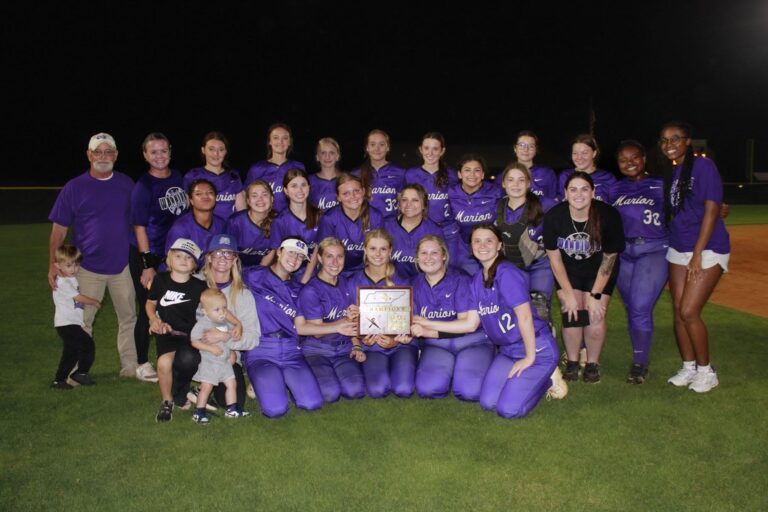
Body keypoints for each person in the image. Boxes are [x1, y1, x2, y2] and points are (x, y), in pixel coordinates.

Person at [48, 132, 138, 378]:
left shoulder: (126, 184)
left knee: (128, 317)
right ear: (89, 155)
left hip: (121, 265)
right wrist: (53, 264)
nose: (103, 156)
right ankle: (76, 371)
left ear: (116, 155)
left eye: (108, 152)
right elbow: (59, 229)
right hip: (86, 268)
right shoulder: (74, 187)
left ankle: (130, 366)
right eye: (98, 152)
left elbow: (138, 222)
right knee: (82, 321)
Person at [661, 121, 730, 393]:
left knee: (689, 311)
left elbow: (712, 209)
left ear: (687, 141)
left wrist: (697, 253)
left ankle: (706, 371)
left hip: (707, 248)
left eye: (675, 138)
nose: (669, 144)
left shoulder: (703, 166)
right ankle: (689, 367)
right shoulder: (672, 172)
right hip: (677, 248)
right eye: (665, 140)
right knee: (679, 312)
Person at [470, 225, 560, 418]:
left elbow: (525, 317)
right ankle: (535, 378)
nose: (482, 245)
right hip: (508, 351)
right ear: (471, 246)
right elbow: (470, 323)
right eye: (477, 241)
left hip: (536, 349)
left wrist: (529, 358)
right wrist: (425, 325)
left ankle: (549, 380)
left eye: (489, 240)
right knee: (488, 402)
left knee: (509, 410)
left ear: (499, 245)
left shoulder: (506, 273)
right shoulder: (476, 279)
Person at [543, 172, 624, 383]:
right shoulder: (554, 216)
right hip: (569, 271)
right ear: (565, 193)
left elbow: (609, 258)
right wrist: (568, 294)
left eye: (584, 189)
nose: (579, 194)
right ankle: (572, 361)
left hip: (600, 271)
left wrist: (595, 295)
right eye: (573, 189)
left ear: (593, 192)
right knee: (572, 313)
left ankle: (592, 363)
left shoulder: (608, 215)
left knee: (594, 315)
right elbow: (555, 259)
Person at [608, 140, 669, 384]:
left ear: (644, 158)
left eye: (634, 157)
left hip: (653, 249)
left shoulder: (661, 184)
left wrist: (717, 207)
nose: (629, 163)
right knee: (632, 308)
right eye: (623, 160)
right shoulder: (615, 189)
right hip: (623, 253)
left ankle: (639, 364)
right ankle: (640, 355)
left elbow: (688, 208)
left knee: (640, 307)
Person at [129, 132, 187, 383]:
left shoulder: (178, 177)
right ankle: (142, 363)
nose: (159, 156)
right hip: (148, 255)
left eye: (163, 150)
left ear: (170, 152)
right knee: (148, 309)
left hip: (173, 254)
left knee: (174, 306)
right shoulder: (143, 186)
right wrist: (147, 265)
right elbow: (139, 227)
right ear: (145, 155)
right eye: (153, 152)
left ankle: (175, 357)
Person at [242, 238, 323, 417]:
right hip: (261, 349)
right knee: (275, 409)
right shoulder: (254, 275)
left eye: (300, 257)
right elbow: (226, 287)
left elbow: (305, 325)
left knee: (312, 403)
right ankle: (262, 380)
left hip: (291, 351)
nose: (294, 259)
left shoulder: (299, 289)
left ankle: (277, 381)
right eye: (291, 252)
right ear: (279, 252)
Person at [181, 234, 262, 411]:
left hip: (226, 357)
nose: (223, 258)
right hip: (196, 350)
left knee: (232, 403)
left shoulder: (243, 294)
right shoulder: (194, 284)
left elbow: (253, 337)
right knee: (185, 357)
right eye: (217, 252)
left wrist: (226, 339)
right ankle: (180, 389)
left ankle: (202, 390)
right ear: (209, 257)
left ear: (235, 259)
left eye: (228, 253)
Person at [409, 235, 494, 400]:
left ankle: (465, 369)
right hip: (437, 345)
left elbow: (466, 325)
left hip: (471, 342)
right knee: (428, 389)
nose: (428, 258)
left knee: (469, 392)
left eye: (434, 253)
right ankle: (449, 370)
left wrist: (428, 326)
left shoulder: (461, 280)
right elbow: (413, 324)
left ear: (444, 256)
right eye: (424, 253)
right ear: (417, 258)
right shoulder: (413, 285)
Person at [295, 237, 366, 402]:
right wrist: (342, 322)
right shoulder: (311, 290)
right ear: (320, 258)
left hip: (344, 349)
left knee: (355, 390)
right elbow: (318, 332)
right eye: (329, 256)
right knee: (330, 393)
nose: (335, 262)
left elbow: (354, 324)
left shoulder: (348, 284)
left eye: (340, 256)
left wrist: (357, 345)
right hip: (317, 350)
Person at [146, 239, 210, 422]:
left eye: (188, 258)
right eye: (179, 256)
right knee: (164, 363)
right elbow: (150, 303)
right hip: (166, 333)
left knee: (188, 360)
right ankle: (167, 401)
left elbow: (208, 311)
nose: (183, 260)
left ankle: (180, 391)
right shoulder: (160, 280)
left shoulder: (200, 286)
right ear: (169, 259)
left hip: (190, 335)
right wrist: (154, 319)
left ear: (194, 265)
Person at [347, 229, 414, 398]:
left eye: (383, 249)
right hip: (371, 346)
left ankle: (407, 364)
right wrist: (360, 338)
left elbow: (411, 321)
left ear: (390, 251)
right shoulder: (353, 282)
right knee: (377, 390)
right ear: (365, 249)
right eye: (373, 248)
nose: (378, 254)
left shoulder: (402, 280)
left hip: (400, 345)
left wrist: (394, 341)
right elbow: (350, 322)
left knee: (404, 389)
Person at [494, 162, 557, 326]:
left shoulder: (546, 205)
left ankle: (544, 340)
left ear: (529, 183)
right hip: (511, 265)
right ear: (503, 183)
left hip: (540, 265)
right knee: (512, 310)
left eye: (521, 180)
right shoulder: (496, 207)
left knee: (540, 309)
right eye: (511, 180)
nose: (516, 185)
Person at [189, 288, 251, 423]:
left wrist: (233, 335)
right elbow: (194, 342)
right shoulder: (203, 324)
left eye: (224, 307)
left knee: (232, 384)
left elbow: (228, 338)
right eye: (217, 309)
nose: (222, 312)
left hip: (225, 362)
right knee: (206, 388)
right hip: (210, 363)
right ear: (205, 311)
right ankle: (199, 412)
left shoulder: (224, 322)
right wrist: (210, 348)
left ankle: (232, 409)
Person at [404, 133, 463, 271]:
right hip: (422, 229)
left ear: (442, 151)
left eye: (435, 149)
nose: (430, 153)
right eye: (426, 148)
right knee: (423, 268)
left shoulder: (452, 175)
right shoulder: (410, 174)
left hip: (448, 229)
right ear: (420, 149)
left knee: (450, 268)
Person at [50, 244, 102, 389]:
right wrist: (94, 302)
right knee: (88, 345)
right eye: (68, 266)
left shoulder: (70, 279)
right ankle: (80, 373)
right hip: (66, 324)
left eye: (76, 265)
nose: (73, 269)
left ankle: (59, 380)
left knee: (71, 352)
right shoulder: (62, 283)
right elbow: (78, 297)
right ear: (57, 265)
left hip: (70, 323)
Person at [447, 154, 504, 274]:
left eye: (477, 170)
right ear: (459, 174)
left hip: (489, 247)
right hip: (463, 249)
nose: (472, 175)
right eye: (467, 170)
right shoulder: (450, 193)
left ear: (483, 174)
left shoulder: (496, 192)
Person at [317, 174, 384, 274]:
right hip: (337, 270)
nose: (352, 196)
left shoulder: (375, 216)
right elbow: (325, 253)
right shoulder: (329, 218)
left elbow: (380, 252)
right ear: (338, 197)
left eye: (356, 191)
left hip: (366, 270)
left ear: (363, 191)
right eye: (346, 193)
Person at [270, 169, 322, 283]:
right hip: (289, 270)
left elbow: (318, 250)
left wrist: (305, 280)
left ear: (309, 187)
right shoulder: (280, 221)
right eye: (294, 186)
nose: (300, 190)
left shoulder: (320, 216)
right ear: (286, 190)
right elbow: (277, 255)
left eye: (303, 185)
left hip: (314, 270)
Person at [383, 183, 443, 277]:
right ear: (399, 204)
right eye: (404, 200)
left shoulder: (434, 231)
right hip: (391, 282)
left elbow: (440, 266)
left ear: (424, 205)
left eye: (415, 200)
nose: (408, 204)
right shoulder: (385, 226)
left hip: (423, 282)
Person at [164, 179, 226, 268]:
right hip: (182, 272)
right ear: (191, 200)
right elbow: (172, 263)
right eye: (198, 194)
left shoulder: (221, 224)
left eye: (210, 192)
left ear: (215, 198)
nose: (205, 196)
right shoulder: (180, 228)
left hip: (209, 271)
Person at [183, 131, 245, 219]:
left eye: (221, 149)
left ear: (225, 152)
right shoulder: (192, 176)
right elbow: (185, 209)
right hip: (203, 227)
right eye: (211, 149)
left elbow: (242, 211)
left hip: (230, 227)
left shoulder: (233, 175)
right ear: (203, 150)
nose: (216, 153)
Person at [245, 123, 305, 213]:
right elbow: (247, 196)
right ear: (270, 141)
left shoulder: (298, 167)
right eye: (276, 138)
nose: (280, 142)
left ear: (289, 142)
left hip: (291, 218)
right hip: (264, 218)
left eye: (285, 138)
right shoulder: (257, 169)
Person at [352, 129, 405, 219]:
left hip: (391, 224)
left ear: (388, 147)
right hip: (365, 224)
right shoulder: (356, 174)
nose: (377, 149)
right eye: (373, 144)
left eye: (382, 144)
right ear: (367, 148)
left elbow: (402, 203)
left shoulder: (400, 172)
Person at [224, 180, 277, 268]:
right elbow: (228, 252)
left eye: (264, 195)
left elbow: (270, 254)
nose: (260, 199)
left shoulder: (278, 222)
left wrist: (257, 273)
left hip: (261, 268)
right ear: (248, 201)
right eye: (254, 195)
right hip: (235, 267)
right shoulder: (235, 222)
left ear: (271, 199)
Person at [556, 134, 617, 203]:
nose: (579, 157)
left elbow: (614, 205)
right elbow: (560, 202)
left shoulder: (608, 178)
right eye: (575, 153)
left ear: (594, 153)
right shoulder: (565, 176)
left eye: (584, 153)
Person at [511, 130, 558, 199]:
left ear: (536, 150)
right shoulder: (506, 174)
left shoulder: (547, 173)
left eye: (531, 146)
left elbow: (553, 200)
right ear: (515, 148)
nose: (526, 149)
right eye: (522, 145)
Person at [309, 137, 343, 211]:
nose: (327, 157)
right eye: (323, 153)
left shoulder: (346, 179)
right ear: (317, 157)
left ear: (337, 156)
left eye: (331, 153)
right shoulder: (309, 181)